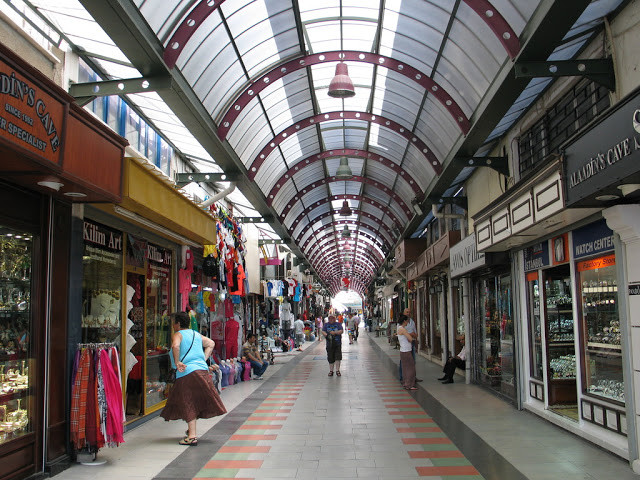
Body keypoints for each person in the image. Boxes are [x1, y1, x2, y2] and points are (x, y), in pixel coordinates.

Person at [160, 312, 227, 446]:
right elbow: (211, 343)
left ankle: (192, 436)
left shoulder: (178, 334)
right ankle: (191, 430)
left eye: (174, 322)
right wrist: (203, 359)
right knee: (194, 400)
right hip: (201, 370)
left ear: (178, 323)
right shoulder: (196, 334)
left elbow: (175, 346)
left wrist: (178, 361)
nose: (173, 325)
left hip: (187, 372)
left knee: (188, 401)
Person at [399, 307, 420, 382]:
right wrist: (410, 334)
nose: (408, 314)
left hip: (412, 343)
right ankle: (403, 378)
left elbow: (415, 334)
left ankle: (413, 377)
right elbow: (406, 335)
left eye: (409, 312)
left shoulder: (412, 322)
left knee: (412, 361)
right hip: (405, 345)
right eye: (407, 312)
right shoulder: (402, 324)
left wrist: (412, 335)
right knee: (404, 362)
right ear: (404, 313)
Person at [397, 314, 417, 390]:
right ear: (404, 321)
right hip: (406, 350)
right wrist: (410, 336)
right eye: (407, 321)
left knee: (405, 368)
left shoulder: (400, 328)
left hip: (403, 350)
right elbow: (410, 339)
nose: (408, 323)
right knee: (410, 368)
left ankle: (406, 383)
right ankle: (409, 384)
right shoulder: (402, 329)